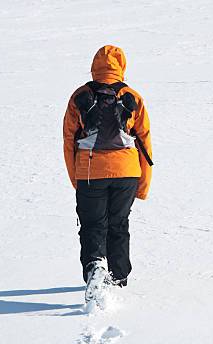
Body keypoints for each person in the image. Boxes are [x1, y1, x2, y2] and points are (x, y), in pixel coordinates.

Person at [63, 45, 153, 300]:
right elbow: (145, 142)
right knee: (119, 223)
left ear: (94, 67)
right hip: (127, 172)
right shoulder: (131, 96)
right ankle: (118, 278)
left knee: (92, 225)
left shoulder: (79, 96)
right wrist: (143, 185)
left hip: (90, 172)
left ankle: (95, 268)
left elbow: (69, 140)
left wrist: (77, 179)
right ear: (122, 66)